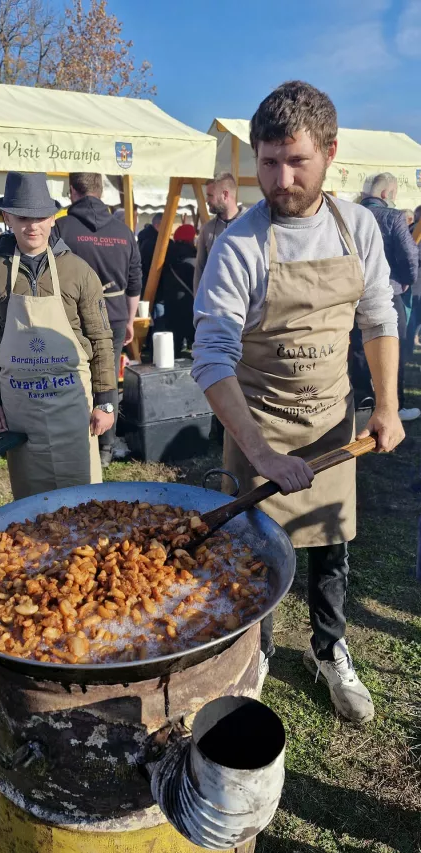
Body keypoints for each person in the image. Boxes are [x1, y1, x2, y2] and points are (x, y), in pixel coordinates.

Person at [192, 81, 404, 724]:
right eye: (268, 162)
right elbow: (210, 355)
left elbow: (377, 319)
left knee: (329, 544)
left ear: (330, 154)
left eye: (296, 161)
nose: (280, 179)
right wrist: (260, 453)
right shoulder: (241, 243)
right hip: (257, 423)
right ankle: (253, 649)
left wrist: (387, 406)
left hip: (332, 420)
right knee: (251, 554)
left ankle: (329, 649)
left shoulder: (358, 225)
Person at [0, 172, 116, 500]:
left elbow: (101, 339)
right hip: (20, 408)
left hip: (72, 406)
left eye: (40, 217)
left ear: (53, 217)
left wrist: (106, 401)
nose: (32, 226)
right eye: (23, 217)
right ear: (7, 217)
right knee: (31, 504)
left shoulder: (78, 271)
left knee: (84, 501)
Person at [55, 173, 142, 467]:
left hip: (72, 316)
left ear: (72, 192)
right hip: (115, 314)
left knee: (73, 376)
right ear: (101, 191)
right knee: (106, 380)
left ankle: (78, 441)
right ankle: (105, 447)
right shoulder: (124, 231)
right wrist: (130, 320)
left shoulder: (61, 227)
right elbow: (134, 281)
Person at [361, 174, 420, 421]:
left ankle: (362, 402)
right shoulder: (394, 217)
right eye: (394, 192)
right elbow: (409, 257)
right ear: (385, 194)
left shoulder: (350, 214)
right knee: (393, 346)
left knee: (357, 351)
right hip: (389, 292)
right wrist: (406, 280)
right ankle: (394, 406)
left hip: (353, 294)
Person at [193, 172, 244, 293]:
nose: (207, 200)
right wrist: (198, 301)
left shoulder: (250, 225)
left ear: (225, 195)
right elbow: (200, 269)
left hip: (244, 305)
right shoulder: (207, 229)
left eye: (210, 196)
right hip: (214, 305)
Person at [162, 224, 197, 357]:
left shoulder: (167, 255)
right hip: (189, 304)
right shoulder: (194, 259)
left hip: (170, 304)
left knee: (174, 343)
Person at [407, 205, 421, 355]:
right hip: (416, 276)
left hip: (414, 275)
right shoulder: (415, 229)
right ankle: (412, 339)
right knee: (415, 310)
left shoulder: (411, 229)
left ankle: (412, 339)